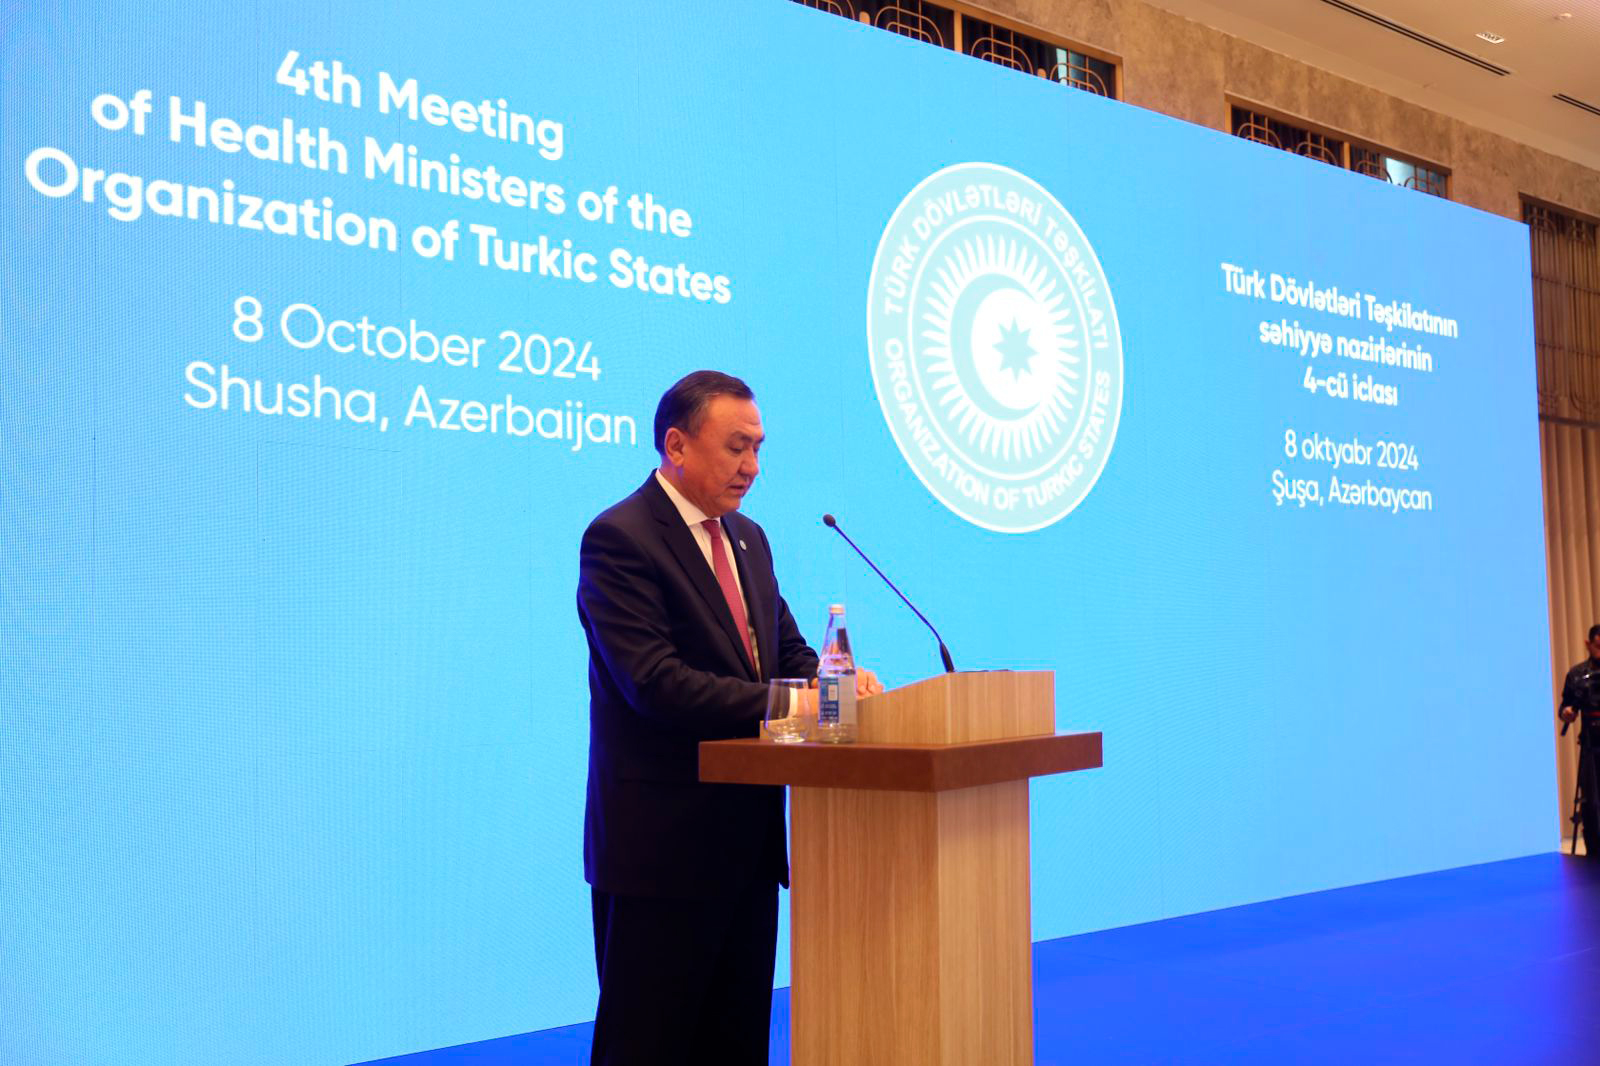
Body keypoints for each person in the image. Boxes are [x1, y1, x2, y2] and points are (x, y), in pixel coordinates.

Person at [577, 370, 881, 1065]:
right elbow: (654, 685)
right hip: (662, 852)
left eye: (759, 448)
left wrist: (837, 682)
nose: (753, 466)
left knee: (736, 1045)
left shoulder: (748, 538)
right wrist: (794, 702)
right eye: (736, 447)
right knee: (647, 1046)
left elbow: (789, 652)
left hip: (746, 844)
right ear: (677, 445)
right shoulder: (620, 538)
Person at [1558, 624, 1600, 858]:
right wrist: (1567, 713)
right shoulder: (1578, 675)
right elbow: (1565, 706)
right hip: (1591, 747)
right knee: (1591, 802)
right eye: (1598, 647)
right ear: (1588, 644)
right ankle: (1594, 856)